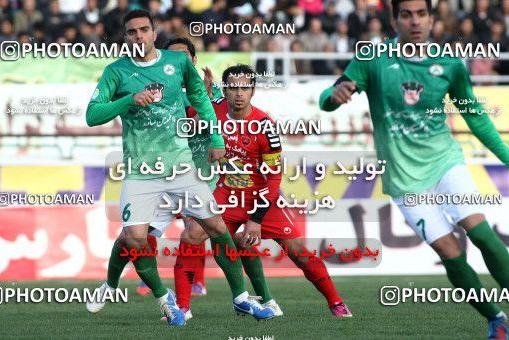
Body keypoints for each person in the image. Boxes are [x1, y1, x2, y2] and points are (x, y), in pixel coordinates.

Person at [319, 1, 509, 338]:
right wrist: (336, 95)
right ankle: (495, 318)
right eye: (406, 15)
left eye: (421, 13)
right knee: (450, 254)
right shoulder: (372, 59)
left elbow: (475, 116)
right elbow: (327, 98)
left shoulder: (450, 64)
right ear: (395, 20)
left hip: (445, 162)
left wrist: (507, 157)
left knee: (483, 236)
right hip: (405, 180)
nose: (415, 21)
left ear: (432, 18)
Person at [84, 9, 275, 326]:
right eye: (132, 32)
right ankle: (158, 297)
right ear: (125, 36)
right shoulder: (116, 72)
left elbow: (202, 100)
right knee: (133, 238)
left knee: (216, 228)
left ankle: (241, 298)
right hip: (141, 170)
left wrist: (215, 138)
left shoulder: (178, 64)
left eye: (144, 30)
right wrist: (129, 100)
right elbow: (92, 115)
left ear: (154, 31)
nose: (138, 36)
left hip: (181, 168)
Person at [174, 64, 352, 318]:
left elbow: (274, 177)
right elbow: (189, 113)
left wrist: (255, 219)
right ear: (225, 90)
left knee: (299, 251)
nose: (239, 93)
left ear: (253, 90)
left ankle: (336, 303)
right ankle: (182, 308)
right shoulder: (215, 110)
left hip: (262, 197)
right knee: (190, 236)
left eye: (245, 87)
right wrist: (200, 94)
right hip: (227, 194)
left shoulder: (265, 125)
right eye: (233, 87)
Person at [136, 37, 222, 306]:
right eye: (171, 56)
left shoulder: (215, 92)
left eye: (183, 55)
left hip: (202, 174)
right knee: (143, 231)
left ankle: (198, 282)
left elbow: (219, 122)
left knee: (194, 229)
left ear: (193, 61)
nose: (177, 62)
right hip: (165, 171)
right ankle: (148, 278)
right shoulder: (158, 91)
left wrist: (206, 99)